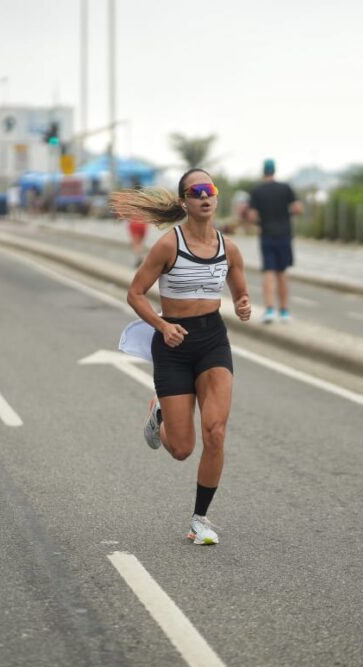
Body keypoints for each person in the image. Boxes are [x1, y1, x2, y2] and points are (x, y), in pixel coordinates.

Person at [115, 169, 251, 545]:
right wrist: (162, 325)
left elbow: (240, 291)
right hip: (173, 345)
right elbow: (136, 294)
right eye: (197, 191)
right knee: (181, 448)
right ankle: (158, 413)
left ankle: (199, 520)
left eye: (210, 190)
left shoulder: (229, 248)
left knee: (216, 431)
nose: (205, 197)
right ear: (185, 201)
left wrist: (242, 304)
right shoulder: (168, 245)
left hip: (212, 341)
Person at [248, 159, 302, 323]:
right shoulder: (285, 188)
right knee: (283, 272)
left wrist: (261, 222)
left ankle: (269, 309)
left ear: (263, 171)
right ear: (275, 171)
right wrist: (285, 216)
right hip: (284, 235)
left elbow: (251, 216)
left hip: (266, 234)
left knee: (269, 272)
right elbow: (298, 208)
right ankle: (284, 311)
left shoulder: (257, 191)